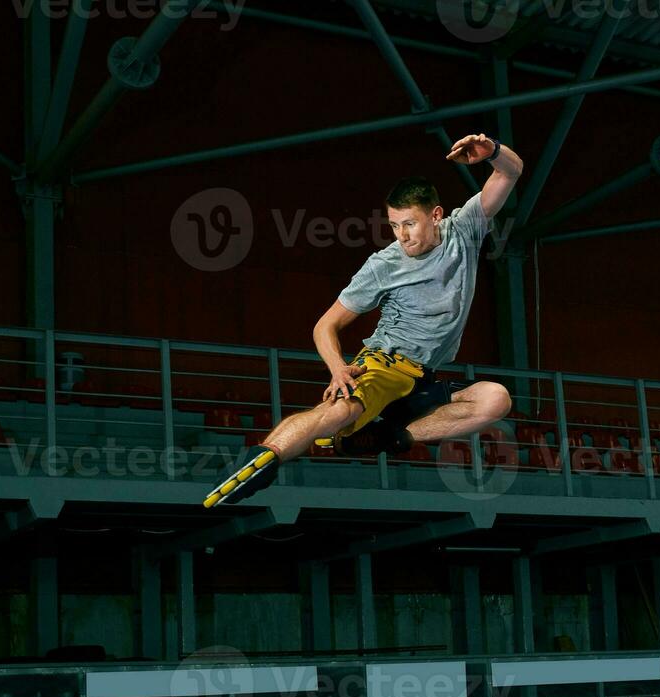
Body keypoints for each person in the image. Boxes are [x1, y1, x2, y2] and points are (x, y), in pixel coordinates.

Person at [203, 133, 523, 508]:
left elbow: (510, 172)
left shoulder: (464, 229)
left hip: (424, 376)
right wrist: (338, 369)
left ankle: (389, 437)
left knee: (494, 399)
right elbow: (326, 325)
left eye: (409, 224)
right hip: (386, 366)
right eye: (394, 225)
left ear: (436, 215)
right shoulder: (383, 264)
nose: (402, 236)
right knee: (338, 411)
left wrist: (494, 152)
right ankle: (263, 457)